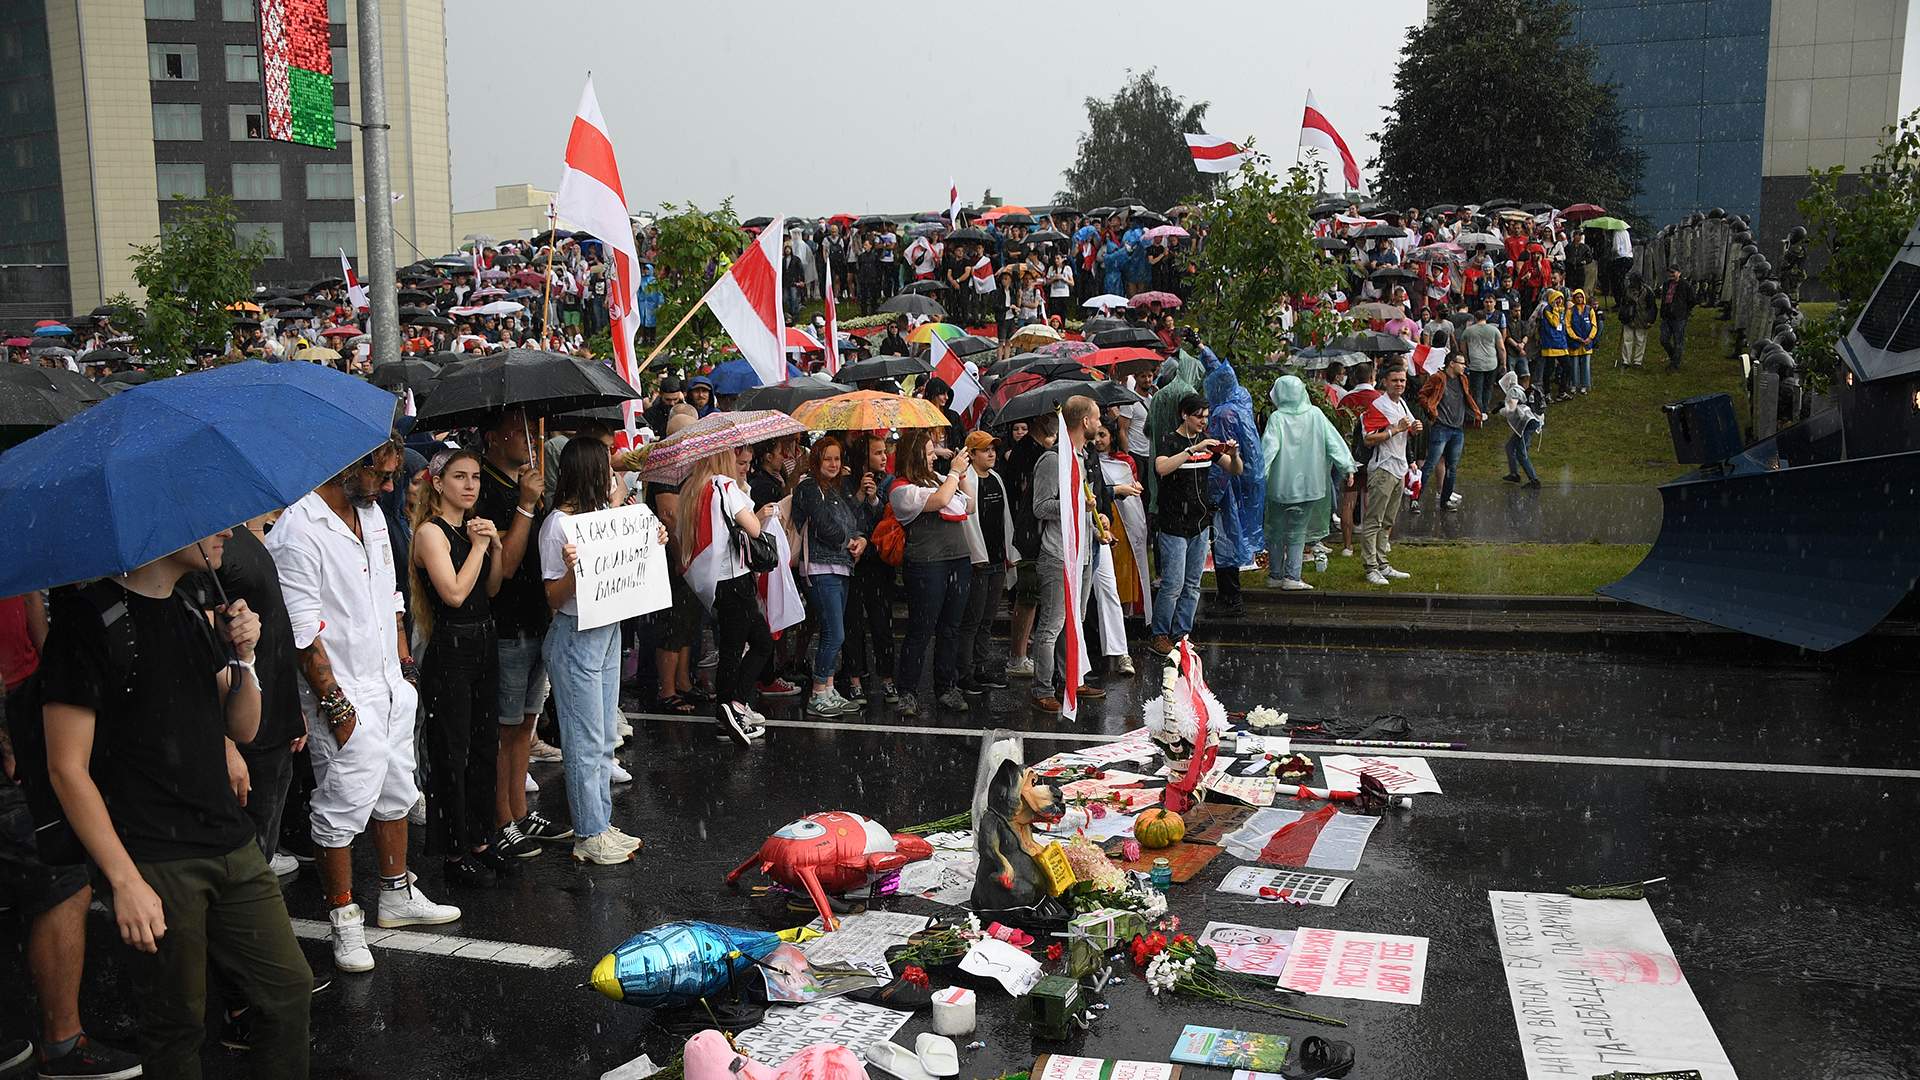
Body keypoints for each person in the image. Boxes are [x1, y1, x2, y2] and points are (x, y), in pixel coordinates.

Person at [42, 530, 312, 1077]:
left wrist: (246, 659)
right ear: (166, 529)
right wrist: (124, 881)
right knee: (177, 1026)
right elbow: (66, 768)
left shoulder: (191, 607)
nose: (228, 534)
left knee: (288, 990)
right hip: (155, 858)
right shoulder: (87, 618)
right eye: (214, 525)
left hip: (229, 840)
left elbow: (243, 724)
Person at [267, 436, 461, 973]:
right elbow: (303, 633)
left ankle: (396, 895)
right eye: (383, 474)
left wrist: (404, 672)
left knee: (397, 790)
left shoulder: (370, 512)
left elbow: (391, 598)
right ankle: (343, 920)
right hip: (342, 696)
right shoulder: (297, 532)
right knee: (340, 808)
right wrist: (336, 705)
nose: (392, 485)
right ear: (351, 466)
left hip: (388, 687)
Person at [2, 591, 146, 1078]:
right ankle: (63, 1043)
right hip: (10, 705)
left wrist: (52, 682)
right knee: (58, 877)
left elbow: (29, 616)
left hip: (22, 696)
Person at [472, 410, 570, 865]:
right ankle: (499, 817)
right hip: (506, 622)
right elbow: (506, 565)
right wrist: (527, 504)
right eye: (519, 432)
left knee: (525, 726)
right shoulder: (487, 488)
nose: (529, 439)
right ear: (493, 438)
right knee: (504, 728)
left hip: (536, 619)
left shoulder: (527, 483)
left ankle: (517, 810)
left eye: (532, 431)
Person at [409, 449, 509, 886]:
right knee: (451, 750)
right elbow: (452, 592)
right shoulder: (431, 533)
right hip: (450, 644)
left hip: (484, 637)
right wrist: (482, 545)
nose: (470, 486)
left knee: (486, 745)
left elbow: (490, 586)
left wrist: (496, 546)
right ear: (438, 483)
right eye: (459, 477)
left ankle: (481, 838)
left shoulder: (472, 530)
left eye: (474, 478)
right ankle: (453, 850)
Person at [680, 445, 775, 744]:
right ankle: (729, 711)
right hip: (736, 578)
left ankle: (733, 707)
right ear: (722, 456)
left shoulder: (695, 488)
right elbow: (755, 528)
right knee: (747, 646)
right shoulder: (724, 485)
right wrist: (753, 511)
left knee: (745, 644)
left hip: (717, 581)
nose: (741, 463)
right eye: (736, 456)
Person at [889, 427, 973, 717]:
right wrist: (953, 474)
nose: (932, 458)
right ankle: (907, 692)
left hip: (958, 559)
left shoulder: (940, 478)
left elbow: (969, 505)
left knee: (950, 629)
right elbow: (938, 501)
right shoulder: (900, 489)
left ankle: (946, 687)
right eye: (927, 453)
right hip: (927, 564)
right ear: (913, 456)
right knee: (920, 630)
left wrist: (961, 475)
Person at [788, 437, 870, 717]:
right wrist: (849, 542)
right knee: (835, 633)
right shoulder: (809, 487)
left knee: (831, 632)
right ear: (816, 461)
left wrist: (861, 539)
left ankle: (829, 688)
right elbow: (823, 526)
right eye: (827, 459)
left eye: (837, 458)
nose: (834, 464)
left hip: (841, 568)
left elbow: (854, 521)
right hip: (819, 570)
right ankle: (817, 693)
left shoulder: (835, 489)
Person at [1028, 397, 1101, 713]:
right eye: (1097, 419)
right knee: (1051, 626)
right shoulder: (1052, 460)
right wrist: (1074, 505)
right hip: (1058, 554)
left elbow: (1080, 508)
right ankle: (1042, 688)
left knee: (1075, 622)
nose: (1100, 425)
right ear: (1084, 422)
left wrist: (1098, 526)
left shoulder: (1080, 457)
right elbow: (1040, 507)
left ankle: (1070, 677)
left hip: (1081, 555)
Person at [1151, 392, 1238, 654]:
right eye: (1198, 417)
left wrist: (1232, 454)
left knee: (1192, 584)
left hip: (1200, 525)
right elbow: (1162, 468)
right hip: (1173, 524)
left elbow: (1236, 470)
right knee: (1173, 584)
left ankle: (1181, 634)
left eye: (1206, 417)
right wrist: (1192, 450)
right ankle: (1159, 635)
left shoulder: (1207, 443)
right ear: (1184, 415)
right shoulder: (1170, 440)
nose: (1203, 422)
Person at [1261, 376, 1357, 591]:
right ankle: (1292, 576)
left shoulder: (1277, 418)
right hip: (1309, 484)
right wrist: (1347, 466)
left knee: (1276, 529)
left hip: (1279, 485)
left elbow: (1269, 448)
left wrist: (1259, 475)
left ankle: (1275, 574)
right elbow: (1334, 442)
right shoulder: (1315, 415)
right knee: (1297, 531)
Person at [839, 433, 897, 706]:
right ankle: (855, 678)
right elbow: (844, 518)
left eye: (884, 452)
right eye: (877, 453)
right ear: (864, 458)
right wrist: (860, 494)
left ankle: (887, 678)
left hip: (878, 563)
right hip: (853, 564)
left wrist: (874, 500)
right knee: (852, 624)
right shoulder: (846, 483)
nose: (883, 457)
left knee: (881, 623)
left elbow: (887, 521)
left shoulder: (888, 482)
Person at [1204, 361, 1264, 619]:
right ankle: (1230, 596)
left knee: (1225, 540)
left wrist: (1212, 494)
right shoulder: (1241, 402)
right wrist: (1204, 349)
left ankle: (1230, 599)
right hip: (1247, 482)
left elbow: (1219, 458)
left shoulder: (1221, 414)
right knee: (1235, 536)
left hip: (1229, 485)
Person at [956, 431, 1013, 696]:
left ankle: (980, 667)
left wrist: (1009, 551)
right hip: (977, 560)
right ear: (972, 454)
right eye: (984, 450)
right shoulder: (964, 479)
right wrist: (976, 555)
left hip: (997, 558)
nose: (991, 453)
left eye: (993, 449)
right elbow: (967, 522)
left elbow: (1005, 518)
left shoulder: (998, 478)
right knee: (973, 618)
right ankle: (964, 671)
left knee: (987, 618)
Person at [1358, 365, 1420, 585]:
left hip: (1399, 468)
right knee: (1374, 520)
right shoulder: (1377, 406)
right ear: (1384, 382)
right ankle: (1370, 567)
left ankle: (1382, 563)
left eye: (1402, 380)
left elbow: (1409, 427)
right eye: (1395, 380)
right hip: (1383, 468)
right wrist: (1395, 429)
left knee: (1388, 520)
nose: (1400, 384)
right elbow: (1368, 439)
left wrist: (1415, 427)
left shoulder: (1401, 403)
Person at [1417, 351, 1478, 513]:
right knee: (1430, 465)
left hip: (1458, 429)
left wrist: (1475, 414)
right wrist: (1431, 410)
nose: (1464, 366)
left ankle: (1445, 500)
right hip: (1441, 427)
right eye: (1461, 363)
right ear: (1451, 363)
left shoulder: (1463, 379)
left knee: (1452, 467)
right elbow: (1422, 395)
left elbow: (1467, 398)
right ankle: (1415, 499)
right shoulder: (1438, 378)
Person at [1499, 370, 1546, 489]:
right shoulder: (1519, 389)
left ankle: (1534, 480)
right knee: (1510, 446)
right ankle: (1514, 473)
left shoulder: (1513, 391)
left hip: (1527, 424)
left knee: (1521, 453)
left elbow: (1511, 409)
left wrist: (1501, 410)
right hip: (1526, 423)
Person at [1458, 306, 1505, 419]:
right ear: (1485, 318)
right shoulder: (1494, 330)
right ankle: (1484, 409)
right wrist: (1503, 363)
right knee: (1488, 388)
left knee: (1477, 390)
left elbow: (1463, 347)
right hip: (1491, 363)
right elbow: (1501, 348)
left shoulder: (1468, 331)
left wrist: (1466, 359)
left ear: (1475, 318)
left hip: (1475, 364)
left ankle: (1478, 413)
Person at [1617, 271, 1657, 369]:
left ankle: (1637, 361)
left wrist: (1650, 320)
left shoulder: (1648, 291)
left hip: (1642, 319)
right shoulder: (1626, 290)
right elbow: (1622, 305)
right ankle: (1626, 361)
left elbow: (1652, 307)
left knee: (1640, 340)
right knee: (1627, 340)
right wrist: (1622, 316)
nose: (1631, 283)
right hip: (1628, 318)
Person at [1658, 266, 1694, 370]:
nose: (1671, 275)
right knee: (1663, 339)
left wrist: (1685, 311)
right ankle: (1674, 356)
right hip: (1667, 316)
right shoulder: (1666, 284)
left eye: (1673, 273)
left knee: (1678, 341)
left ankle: (1675, 364)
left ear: (1679, 273)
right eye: (1669, 273)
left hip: (1679, 317)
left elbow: (1692, 300)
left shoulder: (1685, 285)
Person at [1567, 288, 1599, 396]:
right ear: (1574, 299)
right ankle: (1574, 385)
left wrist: (1590, 338)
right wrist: (1576, 337)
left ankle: (1584, 385)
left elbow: (1594, 325)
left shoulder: (1589, 310)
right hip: (1575, 343)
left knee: (1586, 365)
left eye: (1581, 297)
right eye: (1577, 297)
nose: (1579, 299)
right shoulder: (1570, 311)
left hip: (1587, 343)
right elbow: (1568, 327)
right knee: (1574, 365)